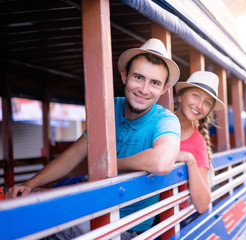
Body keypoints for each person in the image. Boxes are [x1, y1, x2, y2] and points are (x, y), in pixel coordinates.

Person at [5, 38, 181, 238]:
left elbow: (162, 162)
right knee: (24, 214)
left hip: (125, 227)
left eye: (155, 83)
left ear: (165, 89)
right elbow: (74, 155)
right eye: (138, 77)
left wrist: (109, 165)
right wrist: (30, 184)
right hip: (91, 209)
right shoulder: (111, 107)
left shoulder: (165, 120)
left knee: (27, 224)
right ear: (124, 76)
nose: (144, 89)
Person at [174, 71, 224, 215]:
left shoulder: (198, 144)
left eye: (207, 102)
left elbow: (202, 205)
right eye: (196, 95)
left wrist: (190, 160)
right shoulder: (157, 121)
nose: (200, 105)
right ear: (180, 96)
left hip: (172, 220)